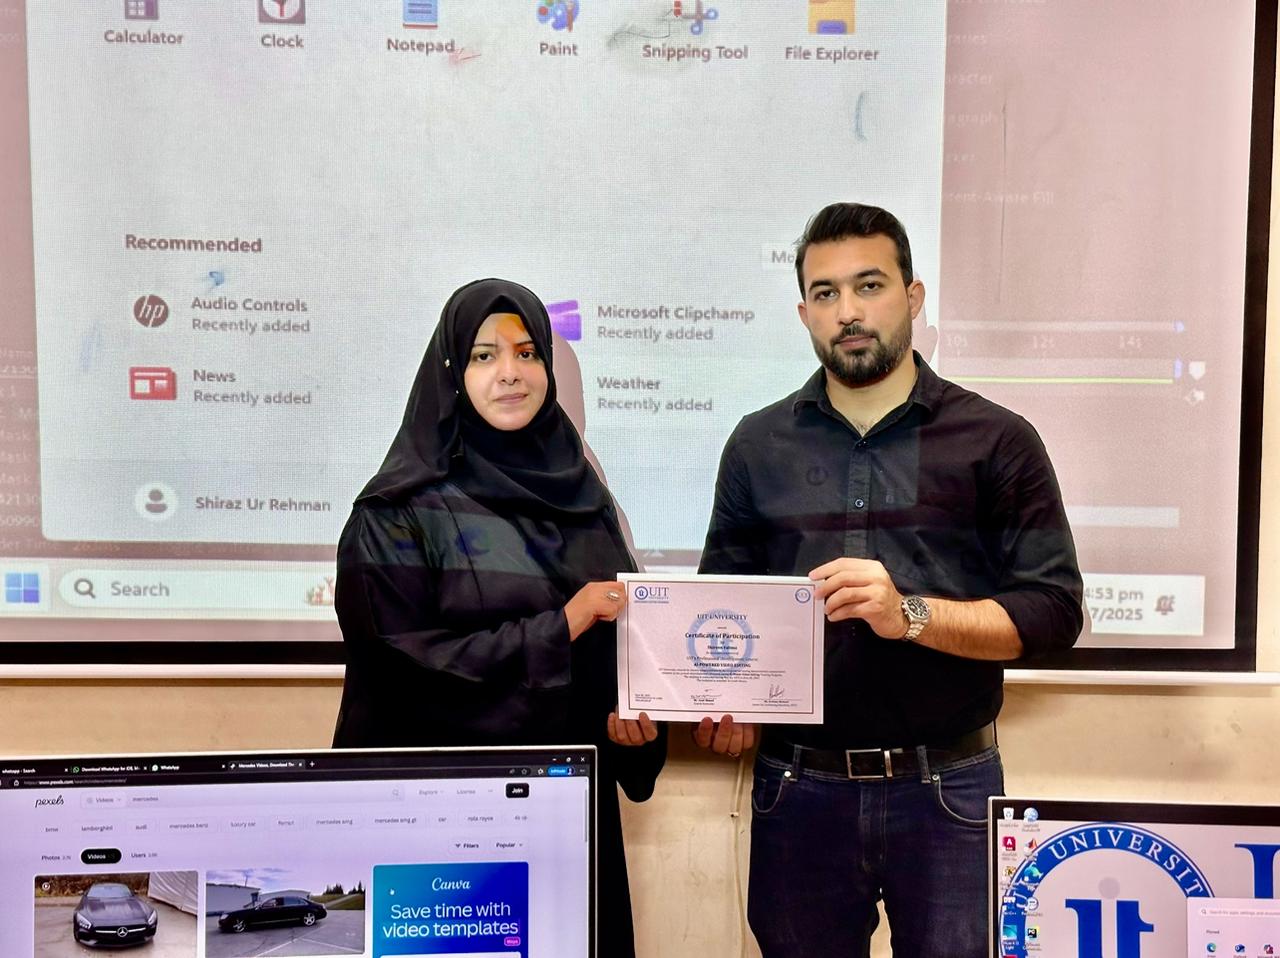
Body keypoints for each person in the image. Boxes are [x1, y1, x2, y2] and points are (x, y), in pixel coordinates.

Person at [696, 203, 1083, 956]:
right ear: (804, 313)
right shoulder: (756, 445)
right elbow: (721, 610)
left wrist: (910, 614)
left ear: (913, 296)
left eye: (868, 286)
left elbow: (1053, 611)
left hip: (950, 789)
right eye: (827, 293)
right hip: (797, 789)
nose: (848, 311)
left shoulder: (997, 440)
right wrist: (722, 699)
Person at [331, 278, 665, 957]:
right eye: (484, 356)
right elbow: (399, 672)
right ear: (451, 373)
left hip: (568, 822)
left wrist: (632, 731)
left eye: (526, 352)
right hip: (441, 832)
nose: (510, 373)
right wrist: (559, 627)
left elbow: (615, 659)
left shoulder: (588, 503)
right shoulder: (397, 511)